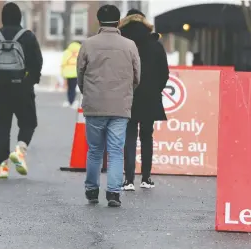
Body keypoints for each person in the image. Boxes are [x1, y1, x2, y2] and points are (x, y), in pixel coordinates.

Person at [77, 4, 140, 207]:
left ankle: (92, 190)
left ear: (98, 21)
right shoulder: (129, 45)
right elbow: (137, 76)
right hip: (120, 106)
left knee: (95, 150)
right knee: (115, 150)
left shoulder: (88, 44)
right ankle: (113, 193)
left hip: (94, 104)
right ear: (118, 21)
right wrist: (126, 92)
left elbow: (80, 74)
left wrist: (87, 91)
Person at [0, 2, 43, 179]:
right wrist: (31, 81)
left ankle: (3, 166)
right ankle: (20, 149)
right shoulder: (28, 36)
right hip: (22, 88)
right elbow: (37, 62)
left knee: (1, 128)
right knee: (28, 122)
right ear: (20, 17)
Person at [118, 9, 169, 191]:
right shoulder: (155, 44)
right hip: (150, 97)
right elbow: (164, 73)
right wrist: (155, 90)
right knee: (147, 136)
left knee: (129, 136)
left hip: (128, 95)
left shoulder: (122, 43)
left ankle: (128, 179)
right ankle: (146, 178)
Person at [60, 41, 81, 109]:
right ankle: (72, 101)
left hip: (67, 73)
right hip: (76, 73)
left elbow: (63, 63)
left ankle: (69, 101)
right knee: (73, 88)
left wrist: (62, 73)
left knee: (69, 88)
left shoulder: (67, 52)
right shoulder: (80, 52)